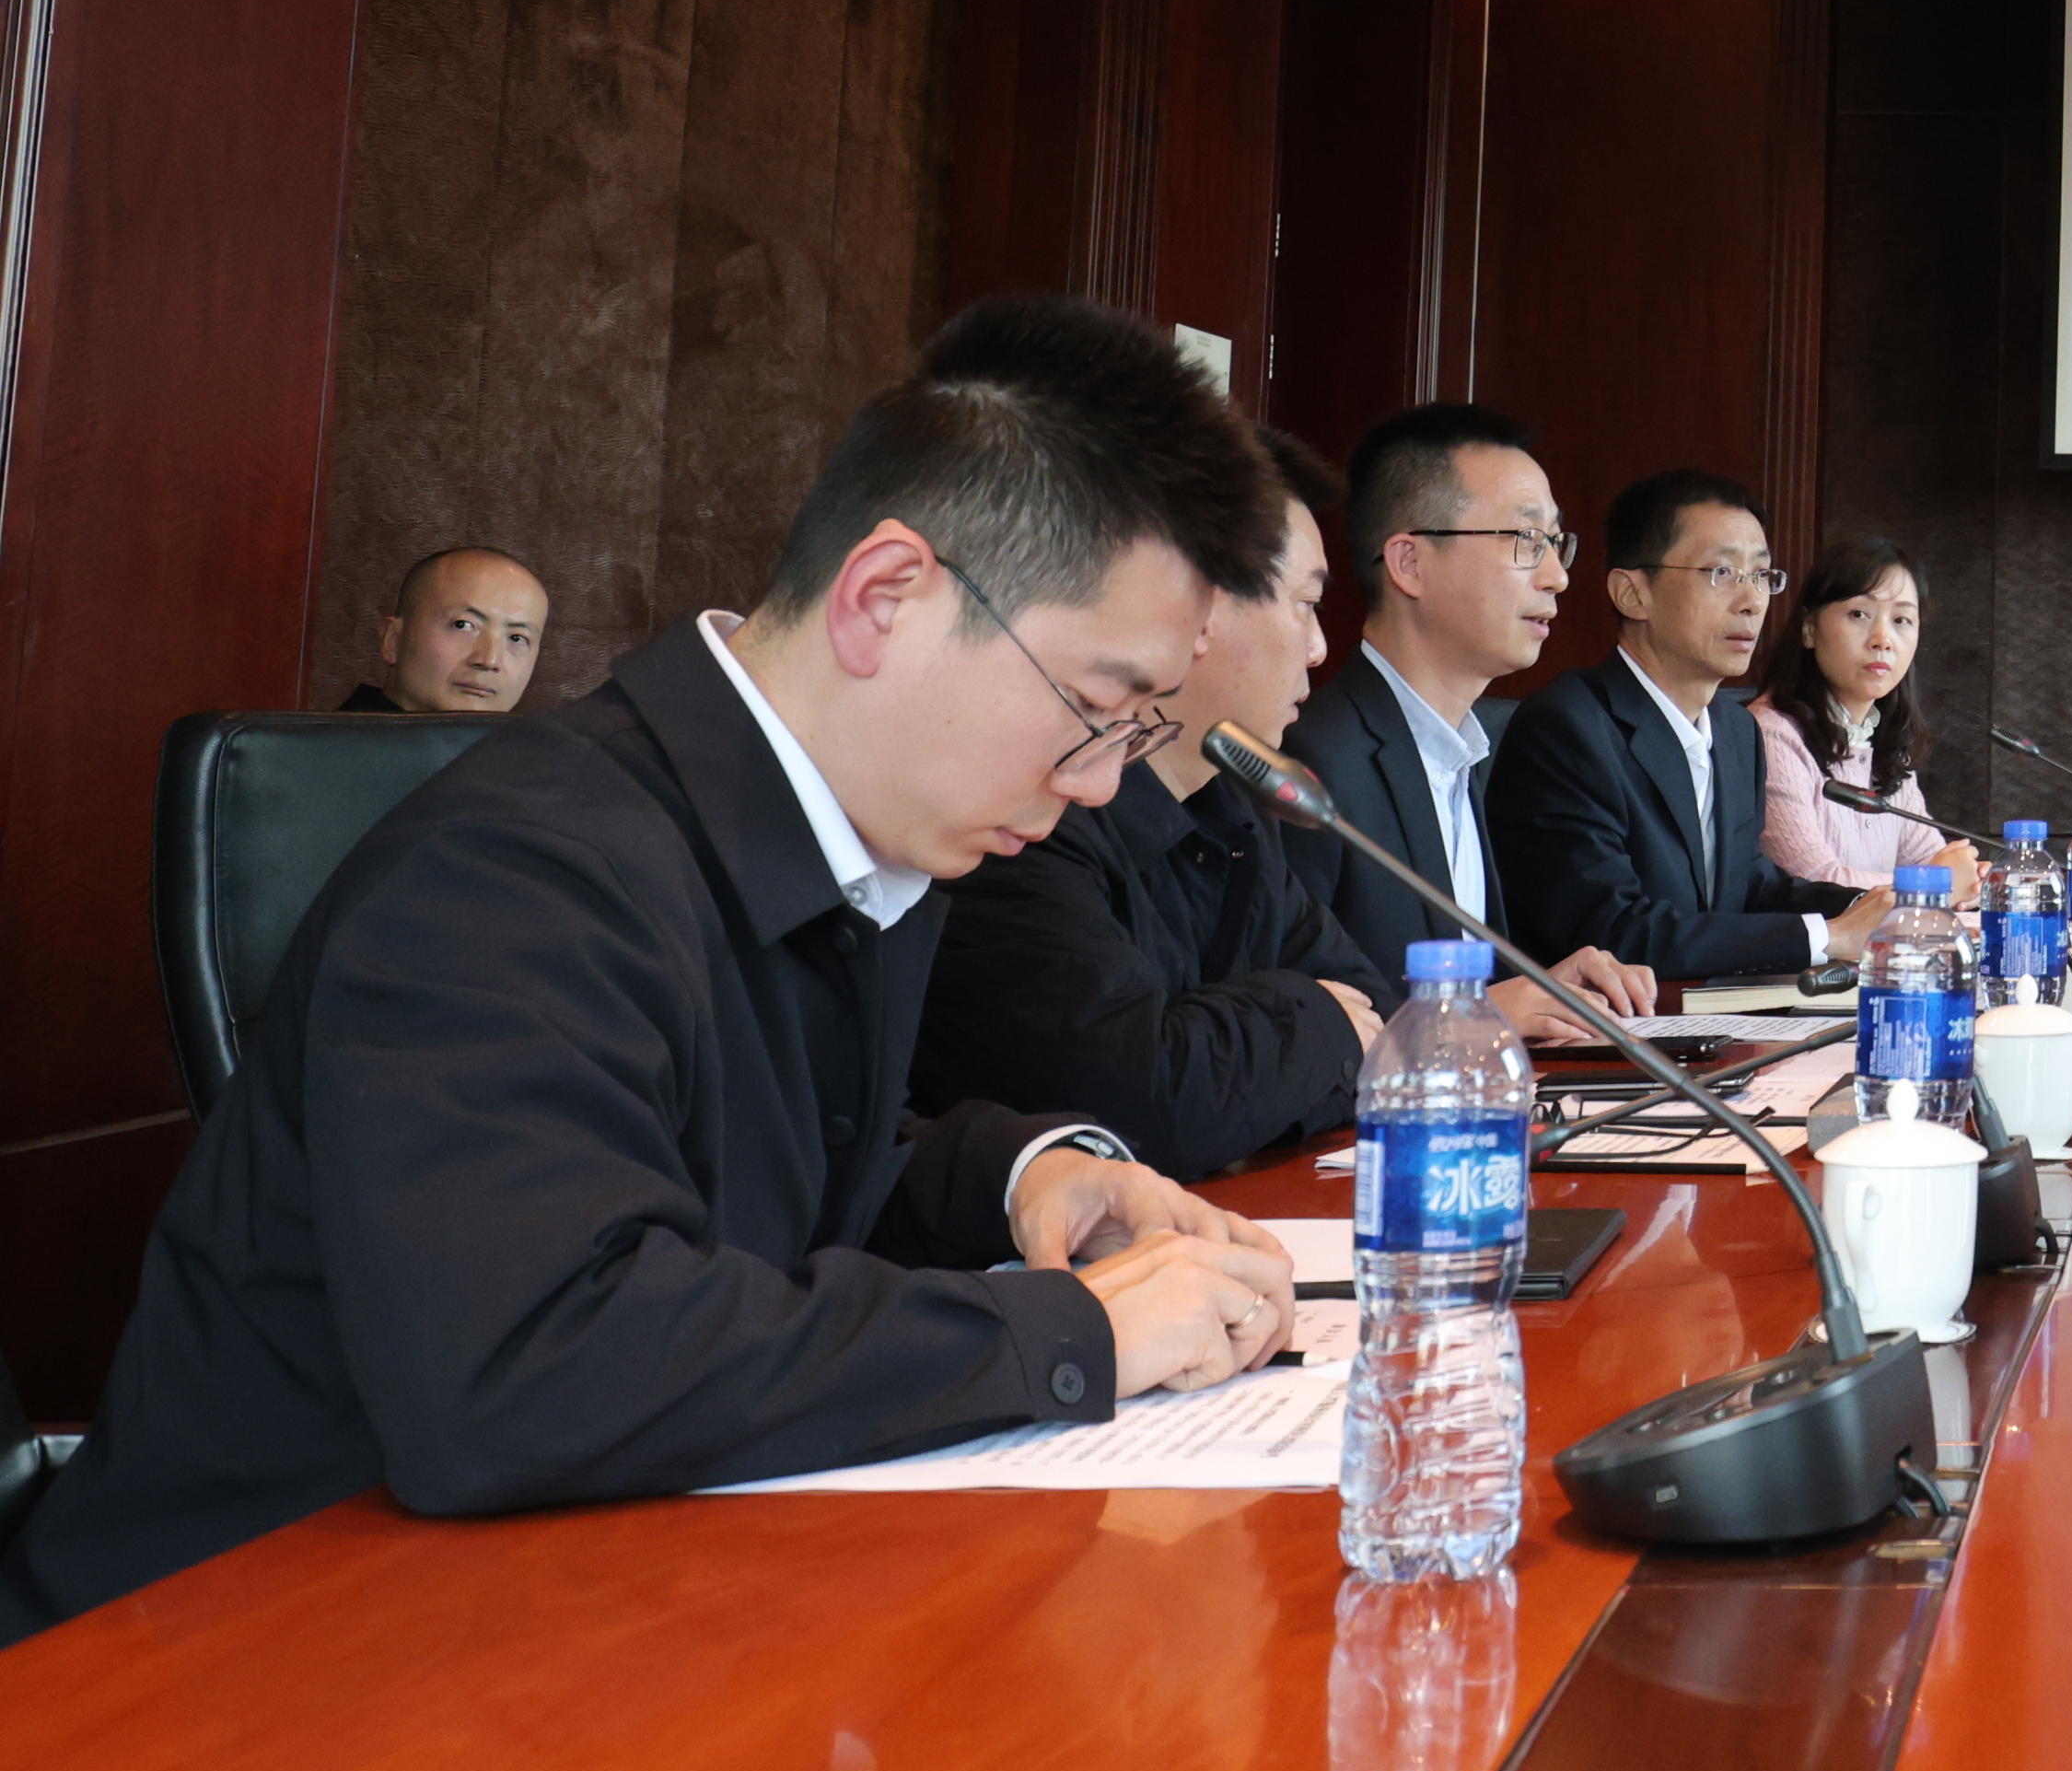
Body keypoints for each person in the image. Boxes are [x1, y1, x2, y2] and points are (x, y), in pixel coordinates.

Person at [5, 297, 1304, 1637]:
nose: (1098, 785)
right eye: (1092, 707)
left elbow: (758, 1188)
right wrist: (1071, 1334)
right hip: (221, 1649)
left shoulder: (866, 843)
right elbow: (534, 1362)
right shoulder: (518, 869)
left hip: (545, 1609)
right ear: (885, 597)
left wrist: (1025, 1180)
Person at [908, 432, 1400, 1178]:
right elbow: (1143, 1108)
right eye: (1305, 605)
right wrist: (1312, 1021)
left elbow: (1377, 1018)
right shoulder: (1031, 815)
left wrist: (1248, 1051)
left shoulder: (1233, 811)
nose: (1317, 649)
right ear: (1197, 609)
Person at [1489, 470, 1890, 989]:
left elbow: (1751, 889)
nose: (1752, 601)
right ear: (1632, 594)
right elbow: (1613, 932)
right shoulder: (1567, 727)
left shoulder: (1736, 729)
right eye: (1722, 572)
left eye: (1762, 576)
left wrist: (1878, 910)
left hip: (1705, 1022)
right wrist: (1828, 937)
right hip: (1603, 1030)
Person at [1287, 402, 1562, 974]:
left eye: (1556, 542)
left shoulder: (1466, 751)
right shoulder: (1313, 763)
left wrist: (1541, 987)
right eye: (1528, 538)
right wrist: (1490, 1007)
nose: (1556, 576)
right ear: (1409, 563)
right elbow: (1302, 1000)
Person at [1750, 535, 1979, 890]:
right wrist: (1937, 883)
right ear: (1809, 629)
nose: (1882, 639)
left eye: (1901, 619)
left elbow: (1929, 858)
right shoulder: (1772, 735)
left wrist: (1971, 883)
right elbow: (1816, 883)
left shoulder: (1884, 745)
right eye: (1859, 614)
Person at [340, 546, 549, 716]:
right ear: (392, 640)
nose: (489, 660)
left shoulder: (530, 754)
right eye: (463, 625)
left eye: (516, 638)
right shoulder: (332, 749)